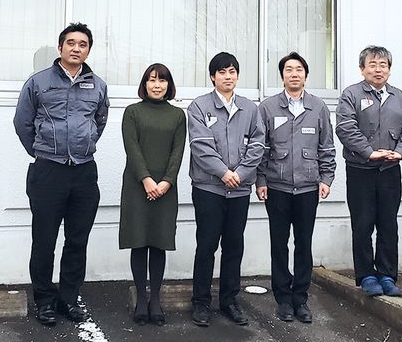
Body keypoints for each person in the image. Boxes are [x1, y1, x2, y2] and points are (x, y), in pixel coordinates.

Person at [13, 23, 109, 326]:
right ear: (60, 48)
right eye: (70, 43)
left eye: (82, 44)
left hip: (83, 172)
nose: (76, 48)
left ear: (88, 50)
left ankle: (68, 299)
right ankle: (44, 300)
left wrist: (85, 144)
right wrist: (42, 152)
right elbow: (22, 123)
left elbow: (100, 120)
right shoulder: (38, 82)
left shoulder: (98, 85)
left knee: (77, 240)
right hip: (48, 172)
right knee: (44, 240)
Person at [256, 52, 336, 323]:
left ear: (305, 74)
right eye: (288, 69)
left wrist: (326, 179)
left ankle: (300, 298)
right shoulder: (267, 107)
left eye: (299, 69)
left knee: (304, 244)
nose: (294, 74)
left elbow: (327, 147)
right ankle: (283, 299)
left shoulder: (318, 107)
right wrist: (261, 181)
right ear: (282, 75)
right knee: (279, 244)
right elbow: (260, 149)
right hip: (276, 188)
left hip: (307, 188)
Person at [187, 52, 265, 327]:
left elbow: (258, 144)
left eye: (232, 71)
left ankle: (230, 301)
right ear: (212, 76)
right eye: (222, 72)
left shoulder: (249, 108)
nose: (227, 76)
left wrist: (240, 174)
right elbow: (200, 146)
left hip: (240, 190)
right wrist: (224, 173)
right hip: (209, 188)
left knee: (234, 246)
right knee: (206, 245)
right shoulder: (199, 106)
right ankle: (200, 302)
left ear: (237, 75)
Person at [335, 45, 402, 297]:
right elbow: (345, 128)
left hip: (390, 170)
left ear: (390, 70)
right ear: (362, 69)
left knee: (388, 224)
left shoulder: (399, 97)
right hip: (361, 170)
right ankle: (367, 275)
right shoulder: (351, 94)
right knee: (362, 224)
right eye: (373, 64)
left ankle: (387, 275)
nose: (378, 69)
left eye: (383, 65)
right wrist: (369, 152)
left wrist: (400, 152)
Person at [118, 63, 186, 326]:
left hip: (166, 188)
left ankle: (155, 299)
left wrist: (166, 181)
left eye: (162, 81)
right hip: (138, 185)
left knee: (159, 241)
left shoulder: (178, 115)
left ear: (169, 85)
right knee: (139, 240)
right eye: (152, 80)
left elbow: (177, 152)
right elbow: (131, 148)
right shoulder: (132, 112)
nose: (157, 85)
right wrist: (147, 180)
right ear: (144, 84)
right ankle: (141, 300)